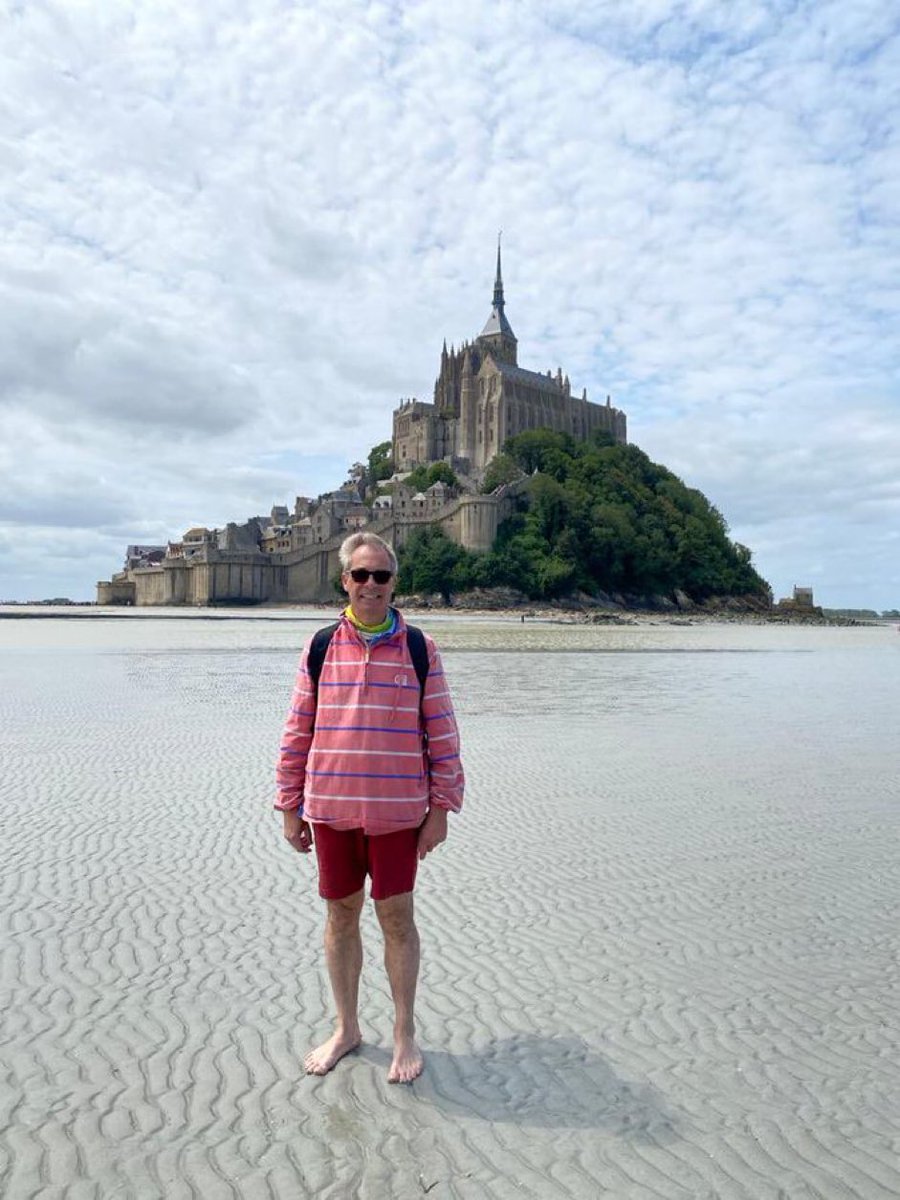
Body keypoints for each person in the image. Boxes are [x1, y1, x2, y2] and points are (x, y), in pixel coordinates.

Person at [276, 531, 464, 1083]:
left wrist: (441, 809)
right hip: (331, 810)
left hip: (399, 813)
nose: (371, 585)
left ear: (394, 582)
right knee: (340, 918)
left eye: (381, 576)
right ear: (345, 581)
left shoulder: (419, 649)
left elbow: (443, 733)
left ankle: (404, 1033)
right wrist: (289, 804)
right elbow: (297, 731)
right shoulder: (320, 646)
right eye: (361, 575)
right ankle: (348, 1028)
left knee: (397, 921)